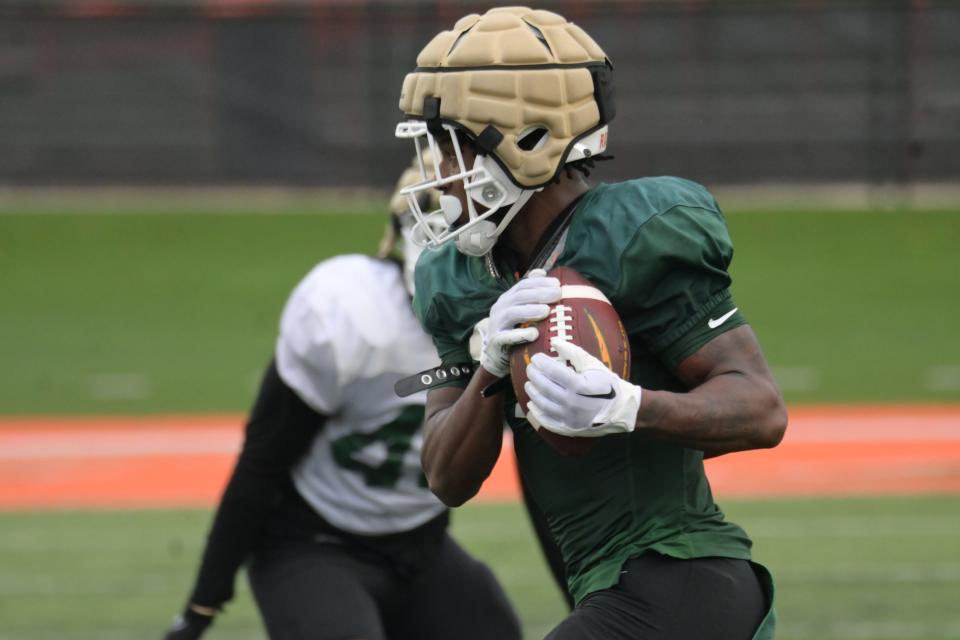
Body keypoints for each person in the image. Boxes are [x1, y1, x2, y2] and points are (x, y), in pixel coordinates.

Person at [394, 7, 788, 640]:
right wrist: (489, 368)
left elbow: (761, 409)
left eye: (449, 143)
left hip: (685, 573)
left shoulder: (633, 235)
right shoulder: (461, 280)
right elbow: (446, 477)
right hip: (608, 587)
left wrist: (629, 407)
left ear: (526, 139)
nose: (437, 170)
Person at [161, 157, 522, 640]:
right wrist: (204, 603)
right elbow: (262, 460)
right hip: (315, 542)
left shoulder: (525, 309)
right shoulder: (348, 314)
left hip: (423, 545)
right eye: (439, 226)